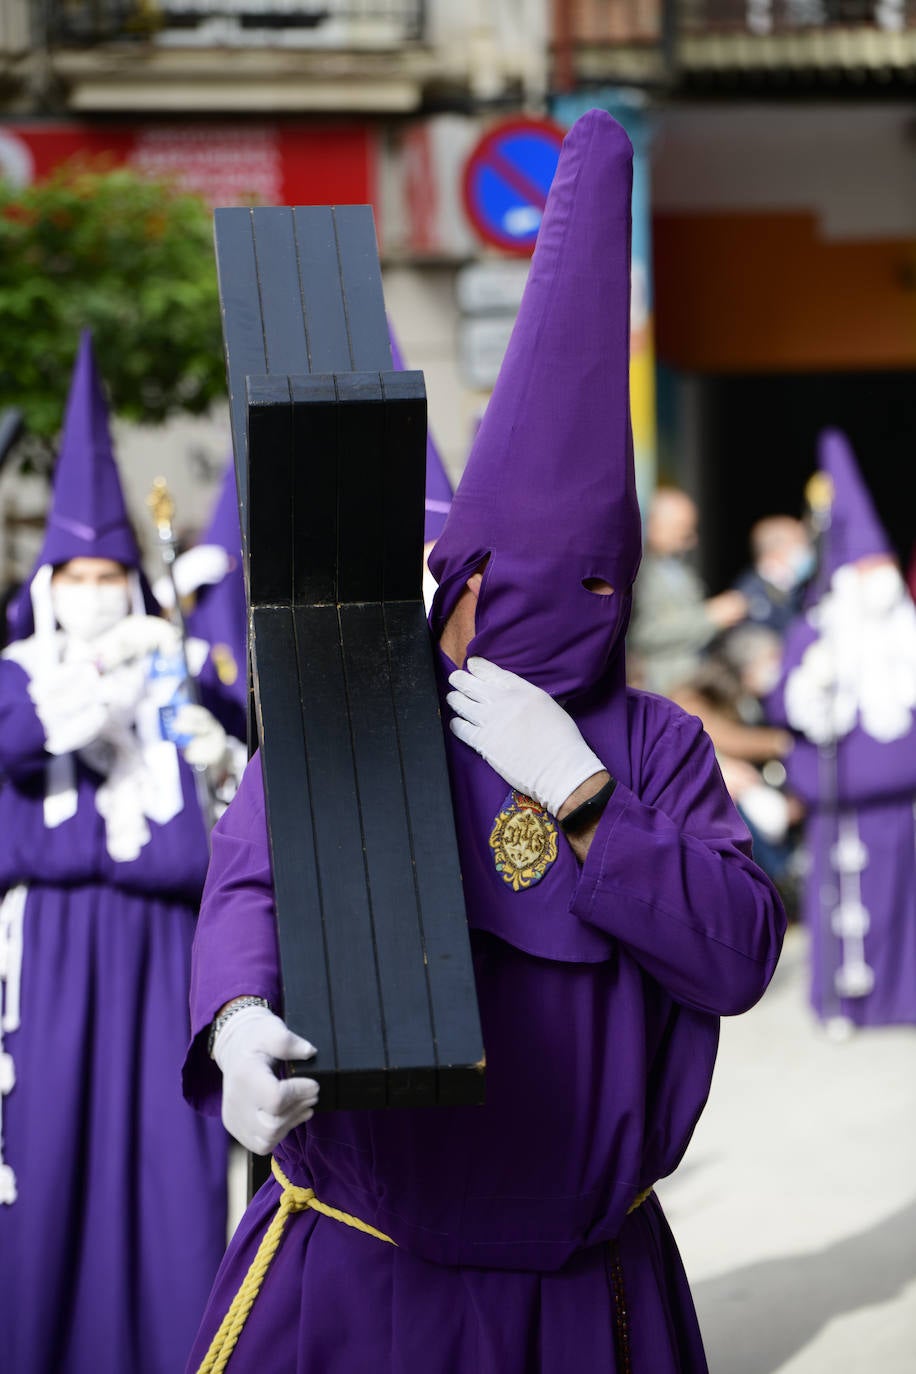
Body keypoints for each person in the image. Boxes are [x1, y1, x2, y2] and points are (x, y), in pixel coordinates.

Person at [180, 110, 786, 1374]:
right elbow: (252, 880)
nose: (552, 624)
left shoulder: (659, 745)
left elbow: (733, 956)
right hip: (360, 1254)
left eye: (592, 596)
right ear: (456, 588)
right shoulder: (352, 692)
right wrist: (237, 1024)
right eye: (506, 597)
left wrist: (583, 792)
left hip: (580, 1281)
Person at [0, 332, 239, 1373]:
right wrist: (101, 672)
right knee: (47, 1156)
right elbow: (16, 745)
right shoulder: (20, 673)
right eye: (77, 573)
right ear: (50, 582)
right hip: (48, 952)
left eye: (111, 574)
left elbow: (233, 779)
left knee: (164, 1164)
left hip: (165, 948)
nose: (97, 589)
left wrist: (190, 698)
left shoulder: (176, 673)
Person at [766, 428, 916, 1031]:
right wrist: (816, 686)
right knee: (847, 906)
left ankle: (901, 1001)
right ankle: (845, 1003)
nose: (879, 574)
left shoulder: (904, 630)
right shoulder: (818, 633)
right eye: (868, 563)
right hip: (844, 804)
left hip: (904, 803)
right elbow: (786, 706)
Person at [627, 485, 747, 695]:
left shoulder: (680, 569)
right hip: (664, 687)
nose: (691, 538)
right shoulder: (639, 573)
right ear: (654, 525)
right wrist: (711, 616)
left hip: (694, 682)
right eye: (681, 528)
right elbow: (643, 632)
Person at [732, 514, 815, 637]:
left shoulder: (800, 588)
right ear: (776, 551)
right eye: (800, 544)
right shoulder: (750, 595)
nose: (807, 551)